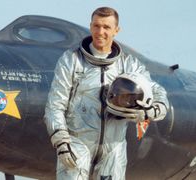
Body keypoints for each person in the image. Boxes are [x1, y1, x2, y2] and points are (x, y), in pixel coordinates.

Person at [44, 7, 169, 180]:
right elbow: (55, 105)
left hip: (114, 149)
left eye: (106, 27)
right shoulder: (72, 60)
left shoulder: (128, 64)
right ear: (90, 26)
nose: (100, 32)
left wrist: (152, 111)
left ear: (116, 30)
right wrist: (62, 142)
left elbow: (158, 91)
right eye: (96, 26)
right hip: (77, 145)